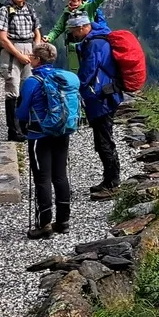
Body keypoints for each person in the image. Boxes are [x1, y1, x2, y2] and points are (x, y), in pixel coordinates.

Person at [16, 43, 71, 239]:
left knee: (42, 179)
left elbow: (22, 112)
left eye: (32, 56)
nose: (30, 58)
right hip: (62, 133)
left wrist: (20, 117)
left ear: (37, 60)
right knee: (60, 176)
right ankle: (63, 221)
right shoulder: (61, 78)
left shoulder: (33, 81)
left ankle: (44, 223)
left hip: (39, 135)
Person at [68, 14, 123, 197]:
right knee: (104, 138)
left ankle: (112, 183)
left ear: (83, 27)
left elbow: (89, 70)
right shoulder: (100, 39)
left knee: (103, 140)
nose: (73, 34)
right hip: (108, 94)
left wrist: (75, 85)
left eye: (74, 30)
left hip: (102, 98)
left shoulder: (94, 44)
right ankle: (110, 179)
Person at [45, 0, 123, 72]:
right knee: (75, 71)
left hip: (89, 44)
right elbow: (57, 29)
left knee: (89, 68)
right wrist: (48, 38)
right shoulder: (66, 13)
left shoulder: (89, 7)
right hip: (73, 47)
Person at [0, 0, 42, 142]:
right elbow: (2, 39)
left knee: (27, 88)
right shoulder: (4, 10)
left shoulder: (30, 9)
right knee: (12, 89)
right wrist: (19, 55)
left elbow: (37, 32)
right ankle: (13, 130)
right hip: (11, 50)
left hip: (29, 48)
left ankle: (24, 126)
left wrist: (36, 51)